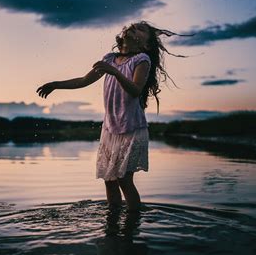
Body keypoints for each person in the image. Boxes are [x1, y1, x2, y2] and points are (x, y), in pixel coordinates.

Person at [36, 21, 185, 211]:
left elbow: (135, 90)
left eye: (140, 29)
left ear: (146, 44)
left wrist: (115, 72)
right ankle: (112, 224)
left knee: (124, 179)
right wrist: (55, 84)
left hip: (131, 129)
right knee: (109, 179)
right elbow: (83, 80)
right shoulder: (109, 59)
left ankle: (132, 225)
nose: (133, 28)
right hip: (110, 130)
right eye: (132, 26)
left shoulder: (142, 60)